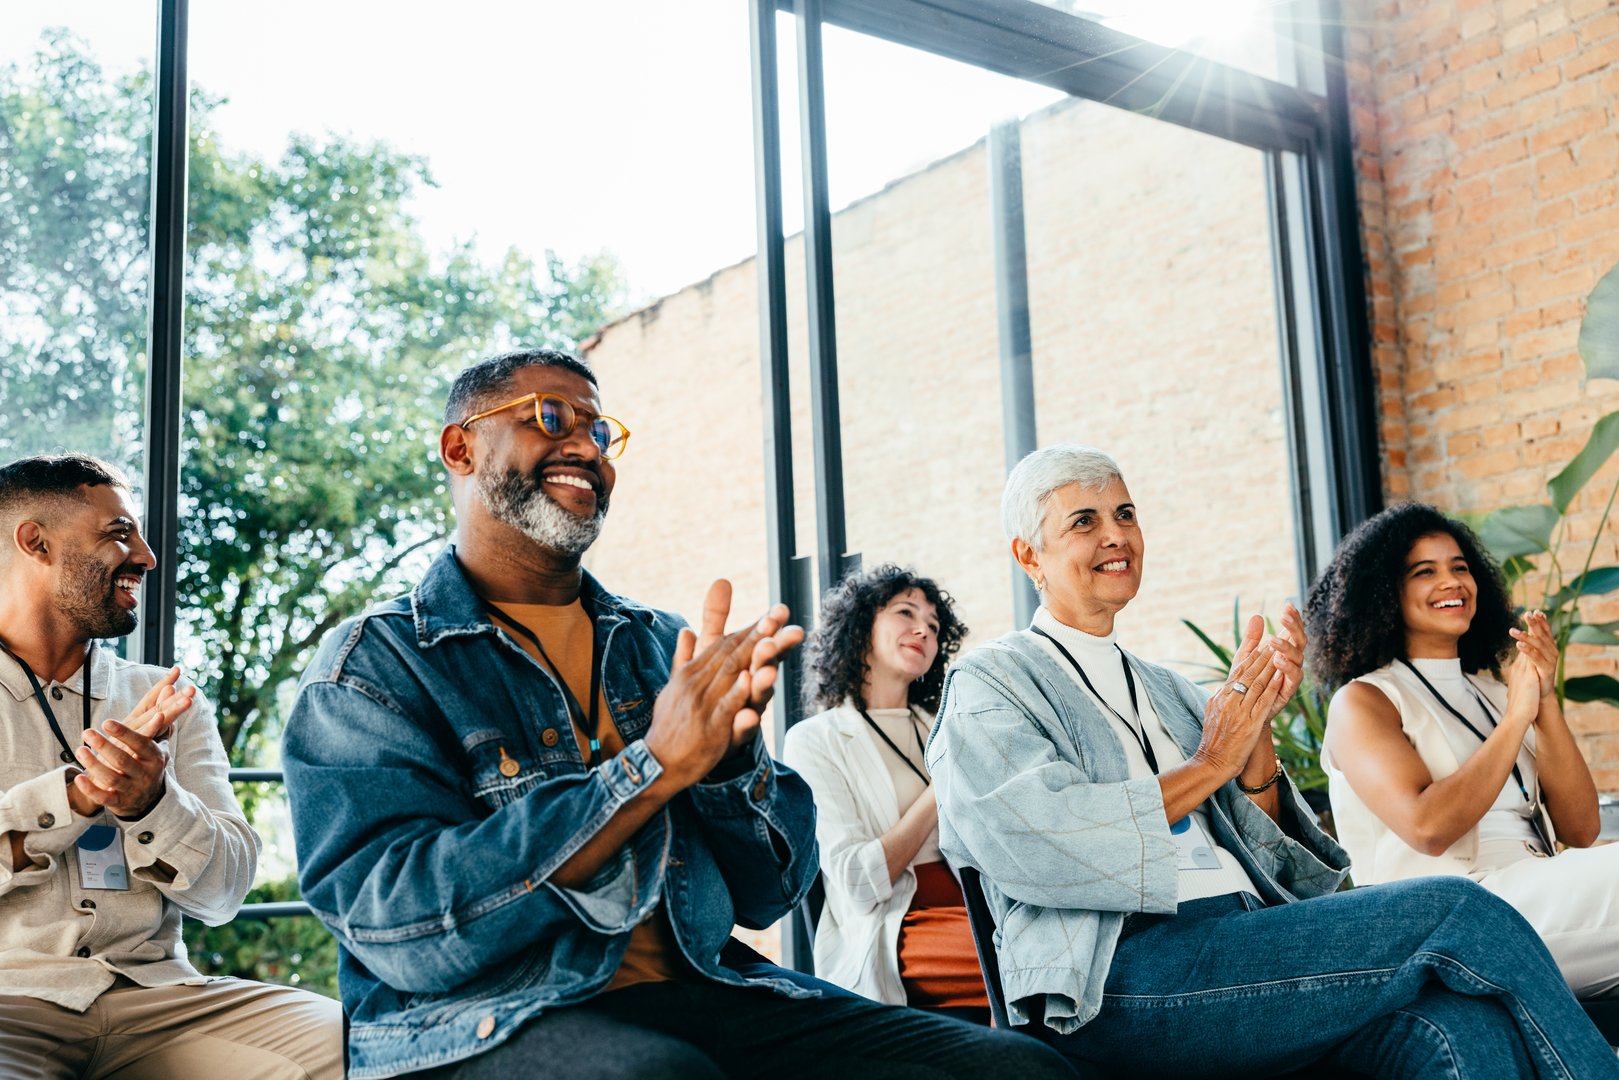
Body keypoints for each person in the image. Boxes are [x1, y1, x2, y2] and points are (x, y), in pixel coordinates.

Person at [282, 349, 1077, 1079]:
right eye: (549, 417)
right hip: (470, 1025)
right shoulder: (375, 667)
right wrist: (651, 768)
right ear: (460, 450)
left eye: (599, 430)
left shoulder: (663, 644)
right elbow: (400, 922)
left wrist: (730, 765)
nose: (588, 449)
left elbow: (773, 892)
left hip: (707, 988)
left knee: (1018, 1069)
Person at [926, 443, 1618, 1078]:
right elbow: (1036, 838)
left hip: (1236, 942)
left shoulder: (1165, 686)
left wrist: (1254, 737)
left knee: (1452, 1026)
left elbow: (1259, 845)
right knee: (1458, 911)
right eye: (1084, 521)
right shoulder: (991, 684)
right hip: (1120, 974)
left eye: (1125, 513)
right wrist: (1209, 760)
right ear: (1028, 556)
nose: (1115, 535)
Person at [0, 453, 342, 1078]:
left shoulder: (169, 696)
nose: (147, 557)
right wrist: (72, 799)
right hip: (10, 1005)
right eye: (119, 533)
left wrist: (152, 805)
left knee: (359, 1047)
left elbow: (227, 891)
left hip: (161, 999)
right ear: (35, 542)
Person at [1306, 501, 1618, 999]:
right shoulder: (1365, 701)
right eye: (1424, 571)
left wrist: (1546, 700)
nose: (1452, 582)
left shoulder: (1495, 692)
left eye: (1460, 567)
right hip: (1454, 916)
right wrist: (1518, 717)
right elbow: (1427, 828)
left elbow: (1581, 830)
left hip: (1539, 889)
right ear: (1385, 592)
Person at [783, 565, 984, 1017]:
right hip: (901, 924)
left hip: (977, 905)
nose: (923, 630)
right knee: (1033, 959)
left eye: (934, 626)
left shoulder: (943, 729)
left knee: (1068, 944)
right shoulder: (815, 740)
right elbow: (856, 882)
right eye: (905, 613)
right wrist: (941, 788)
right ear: (860, 627)